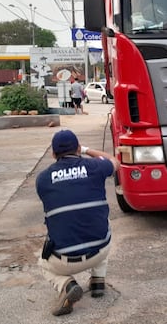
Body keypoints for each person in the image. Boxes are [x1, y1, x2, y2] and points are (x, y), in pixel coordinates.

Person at [36, 130, 119, 316]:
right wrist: (87, 150)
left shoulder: (42, 180)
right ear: (78, 149)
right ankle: (98, 280)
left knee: (42, 263)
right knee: (101, 225)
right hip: (99, 251)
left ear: (53, 154)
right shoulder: (95, 167)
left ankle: (66, 285)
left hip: (64, 260)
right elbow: (115, 161)